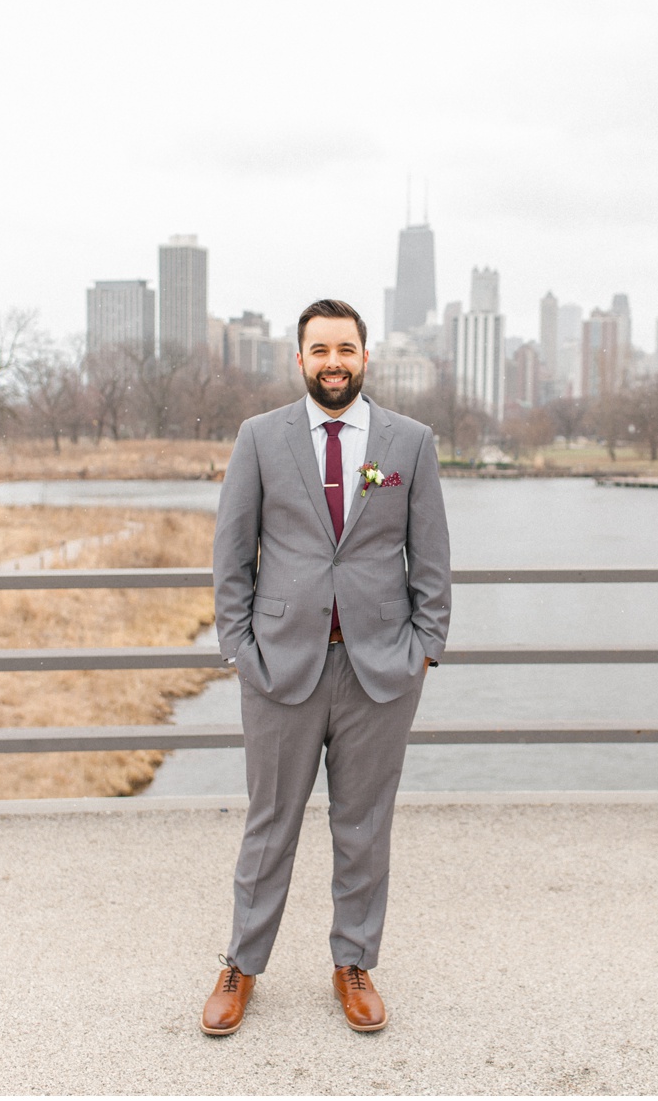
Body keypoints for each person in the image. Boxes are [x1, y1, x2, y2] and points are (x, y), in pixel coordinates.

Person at [201, 298, 450, 1036]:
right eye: (319, 350)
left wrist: (422, 651)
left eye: (345, 349)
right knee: (269, 823)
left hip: (380, 671)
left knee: (365, 826)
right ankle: (241, 964)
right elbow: (231, 555)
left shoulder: (410, 442)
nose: (333, 362)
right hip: (279, 670)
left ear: (364, 357)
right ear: (300, 358)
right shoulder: (258, 438)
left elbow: (431, 560)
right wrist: (241, 650)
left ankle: (354, 961)